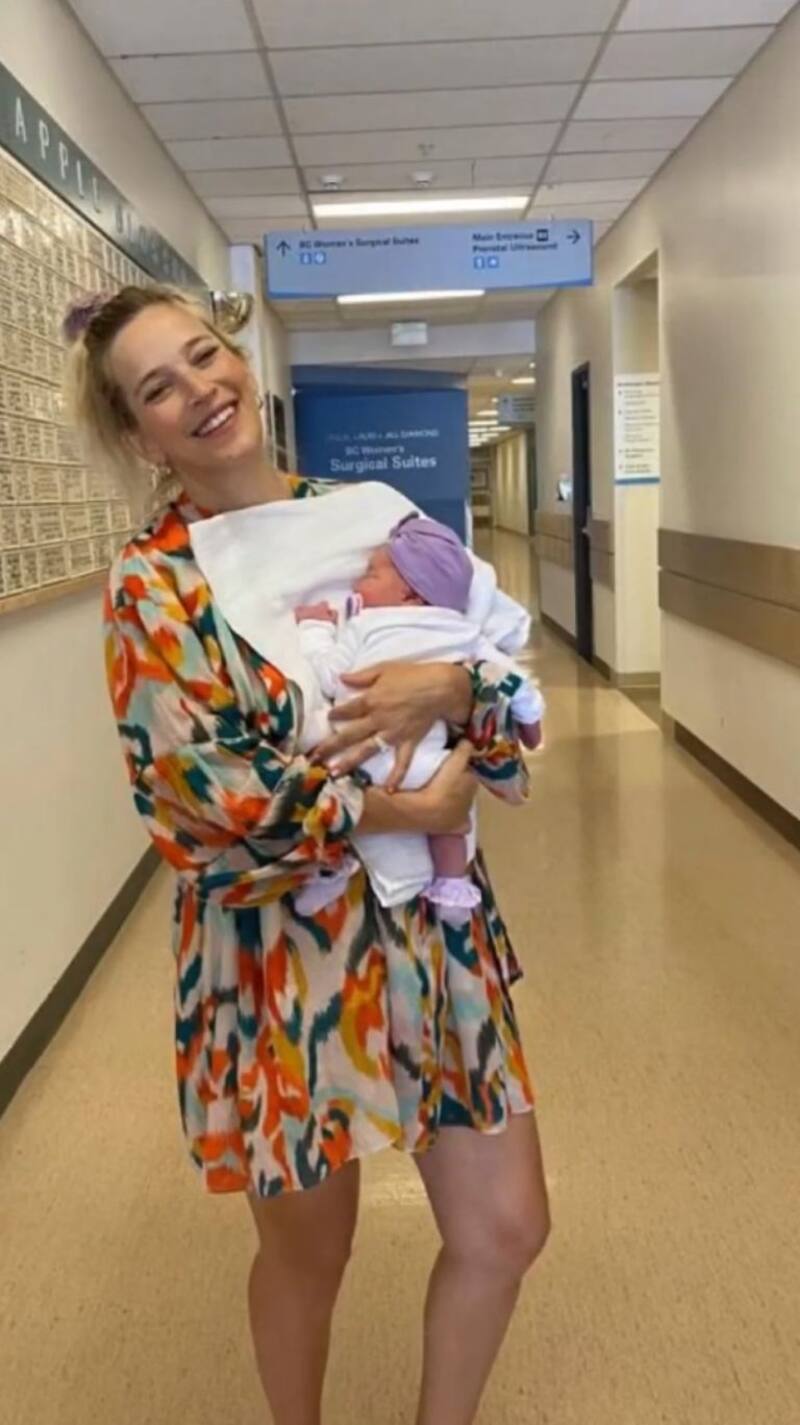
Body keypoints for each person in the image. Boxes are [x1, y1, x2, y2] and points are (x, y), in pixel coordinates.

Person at [64, 283, 550, 1425]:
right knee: (308, 1254)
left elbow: (500, 694)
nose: (200, 390)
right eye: (159, 388)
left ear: (239, 360)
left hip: (432, 935)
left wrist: (452, 690)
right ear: (140, 436)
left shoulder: (376, 517)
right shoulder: (156, 583)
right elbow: (199, 805)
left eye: (205, 356)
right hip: (280, 962)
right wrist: (399, 806)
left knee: (506, 1226)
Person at [293, 512, 544, 922]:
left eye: (371, 575)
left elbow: (331, 676)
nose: (356, 584)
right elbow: (509, 680)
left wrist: (315, 629)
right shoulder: (462, 631)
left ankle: (331, 868)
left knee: (324, 787)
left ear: (411, 594)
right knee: (452, 817)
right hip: (426, 763)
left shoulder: (365, 626)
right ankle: (452, 884)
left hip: (354, 756)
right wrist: (531, 720)